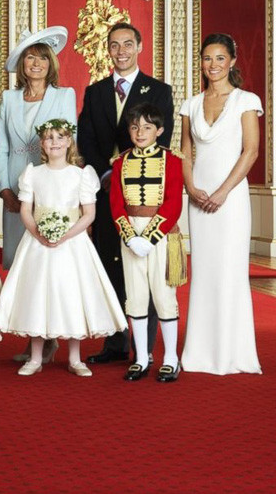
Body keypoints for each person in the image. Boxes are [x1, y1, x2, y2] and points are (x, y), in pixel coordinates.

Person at [0, 120, 126, 377]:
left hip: (72, 244)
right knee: (37, 295)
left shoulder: (81, 174)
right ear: (41, 143)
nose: (54, 142)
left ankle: (75, 358)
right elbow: (26, 211)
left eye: (60, 137)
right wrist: (39, 233)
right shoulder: (33, 173)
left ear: (68, 142)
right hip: (38, 243)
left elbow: (88, 215)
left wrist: (65, 235)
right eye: (49, 137)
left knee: (71, 294)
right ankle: (36, 357)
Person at [78, 22, 173, 365]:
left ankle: (143, 348)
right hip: (106, 192)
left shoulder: (158, 90)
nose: (121, 51)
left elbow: (162, 139)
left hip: (144, 195)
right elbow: (85, 138)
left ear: (140, 46)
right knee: (110, 265)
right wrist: (106, 173)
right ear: (108, 50)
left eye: (127, 44)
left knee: (143, 266)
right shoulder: (95, 91)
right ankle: (115, 342)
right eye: (115, 45)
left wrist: (126, 173)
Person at [179, 33, 262, 375]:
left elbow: (251, 151)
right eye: (207, 58)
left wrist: (223, 191)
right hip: (198, 199)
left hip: (231, 200)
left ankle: (233, 352)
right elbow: (184, 151)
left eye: (219, 58)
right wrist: (191, 187)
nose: (212, 65)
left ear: (232, 61)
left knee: (229, 271)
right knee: (205, 272)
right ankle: (198, 351)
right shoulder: (191, 104)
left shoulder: (246, 100)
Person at [109, 103, 184, 382]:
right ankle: (140, 358)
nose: (140, 132)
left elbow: (173, 202)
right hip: (130, 235)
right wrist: (130, 237)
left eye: (147, 127)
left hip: (161, 235)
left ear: (160, 131)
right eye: (135, 127)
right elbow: (116, 203)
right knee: (136, 297)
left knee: (164, 297)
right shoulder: (120, 162)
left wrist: (149, 238)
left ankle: (171, 359)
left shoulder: (173, 160)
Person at [0, 27, 74, 270]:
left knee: (48, 255)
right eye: (30, 57)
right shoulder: (8, 97)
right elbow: (1, 147)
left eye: (42, 57)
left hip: (52, 184)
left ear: (51, 63)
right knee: (17, 258)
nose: (36, 63)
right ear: (22, 63)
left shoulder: (64, 95)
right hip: (16, 187)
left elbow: (72, 143)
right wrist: (4, 188)